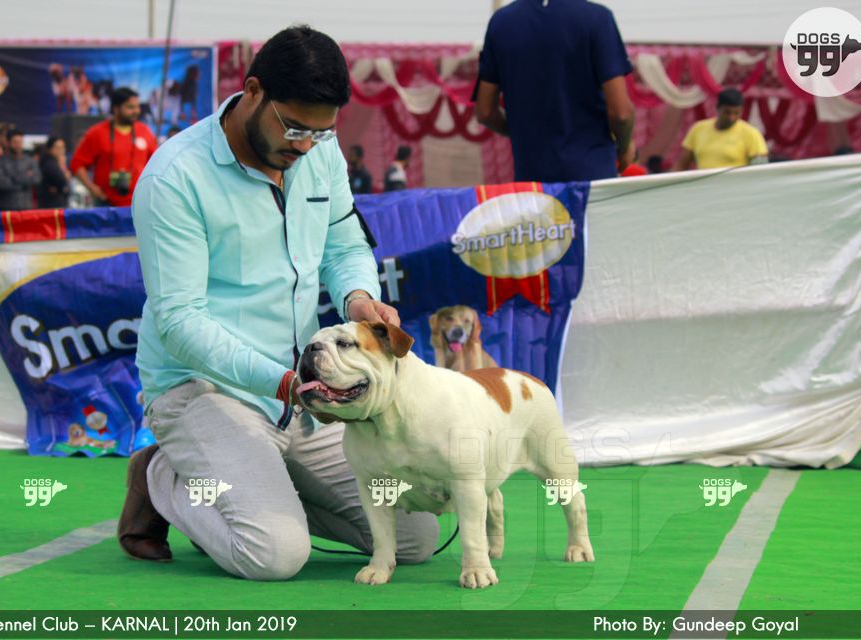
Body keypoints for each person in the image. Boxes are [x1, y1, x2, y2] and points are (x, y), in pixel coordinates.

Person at [119, 25, 439, 579]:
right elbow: (179, 322)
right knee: (273, 554)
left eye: (320, 132)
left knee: (413, 536)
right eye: (293, 127)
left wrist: (359, 299)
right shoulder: (174, 177)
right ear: (252, 91)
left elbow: (344, 244)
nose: (305, 145)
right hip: (202, 388)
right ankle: (161, 476)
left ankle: (258, 480)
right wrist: (284, 383)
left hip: (300, 390)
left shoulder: (320, 150)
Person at [474, 0, 635, 182]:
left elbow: (485, 112)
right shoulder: (597, 18)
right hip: (591, 179)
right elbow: (621, 114)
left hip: (532, 182)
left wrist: (525, 132)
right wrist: (625, 146)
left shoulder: (501, 22)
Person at [70, 87, 157, 206]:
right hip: (104, 204)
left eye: (137, 107)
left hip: (138, 203)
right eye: (130, 107)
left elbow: (157, 165)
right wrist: (92, 188)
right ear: (116, 109)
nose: (136, 111)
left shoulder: (145, 132)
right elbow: (77, 164)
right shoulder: (97, 133)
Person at [673, 88, 768, 171]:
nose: (731, 117)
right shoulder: (698, 129)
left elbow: (760, 170)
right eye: (727, 112)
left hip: (736, 185)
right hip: (704, 185)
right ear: (718, 108)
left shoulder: (751, 133)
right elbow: (681, 165)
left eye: (736, 113)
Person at [0, 130, 40, 211]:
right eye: (15, 142)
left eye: (20, 142)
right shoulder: (0, 161)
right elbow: (2, 183)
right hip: (6, 208)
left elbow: (37, 179)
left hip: (25, 206)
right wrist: (25, 177)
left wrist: (12, 179)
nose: (18, 145)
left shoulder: (30, 161)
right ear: (8, 143)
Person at [37, 136, 71, 208]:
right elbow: (62, 181)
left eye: (63, 147)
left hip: (58, 202)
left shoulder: (56, 162)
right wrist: (62, 166)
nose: (61, 151)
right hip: (51, 204)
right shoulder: (49, 163)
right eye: (58, 148)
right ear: (50, 149)